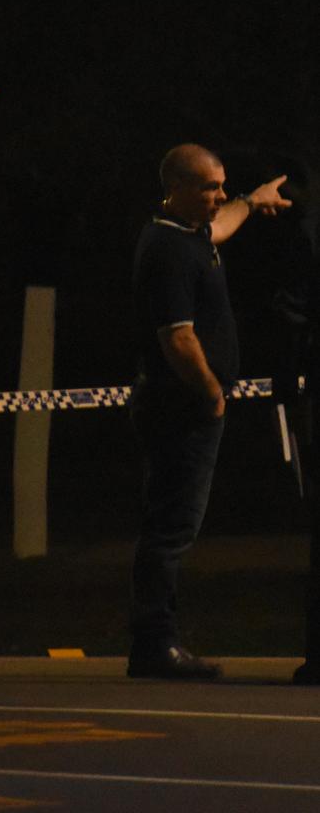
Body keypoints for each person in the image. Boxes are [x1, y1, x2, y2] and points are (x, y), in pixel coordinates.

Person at [128, 142, 291, 679]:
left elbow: (221, 225)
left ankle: (156, 642)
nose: (218, 197)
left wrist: (252, 200)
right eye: (209, 187)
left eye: (222, 185)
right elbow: (177, 338)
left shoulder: (190, 232)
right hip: (182, 409)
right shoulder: (168, 251)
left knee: (174, 525)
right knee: (171, 528)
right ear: (174, 188)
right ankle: (155, 646)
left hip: (189, 407)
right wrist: (211, 392)